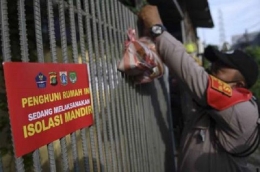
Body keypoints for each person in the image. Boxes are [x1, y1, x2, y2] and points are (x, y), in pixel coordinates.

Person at [138, 5, 260, 172]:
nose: (216, 64)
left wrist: (157, 29)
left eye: (225, 65)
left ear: (239, 85)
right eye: (217, 60)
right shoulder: (212, 102)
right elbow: (188, 77)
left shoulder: (242, 108)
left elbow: (193, 75)